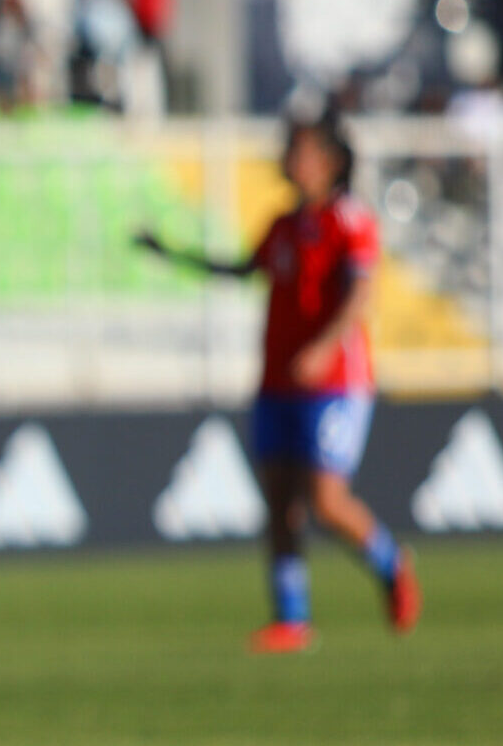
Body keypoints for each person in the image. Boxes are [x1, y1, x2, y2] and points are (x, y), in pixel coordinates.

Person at [136, 114, 419, 651]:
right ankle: (292, 618)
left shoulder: (349, 221)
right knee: (280, 504)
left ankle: (390, 563)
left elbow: (360, 295)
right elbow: (240, 270)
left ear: (331, 162)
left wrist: (324, 346)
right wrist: (169, 253)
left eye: (301, 150)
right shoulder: (283, 225)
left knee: (327, 501)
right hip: (276, 383)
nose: (290, 158)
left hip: (333, 383)